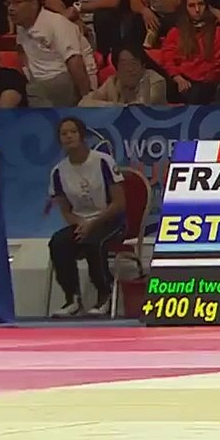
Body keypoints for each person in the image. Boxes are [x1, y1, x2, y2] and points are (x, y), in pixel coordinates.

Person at [48, 117, 126, 317]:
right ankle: (72, 299)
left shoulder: (103, 161)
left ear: (82, 135)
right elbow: (66, 211)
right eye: (64, 133)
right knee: (58, 243)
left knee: (94, 242)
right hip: (81, 222)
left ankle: (105, 294)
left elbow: (119, 203)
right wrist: (82, 223)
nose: (68, 136)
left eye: (73, 132)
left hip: (109, 220)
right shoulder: (58, 171)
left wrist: (93, 223)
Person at [8, 0, 98, 107]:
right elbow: (22, 55)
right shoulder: (21, 27)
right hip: (40, 83)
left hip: (68, 80)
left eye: (17, 2)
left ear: (34, 4)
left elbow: (75, 62)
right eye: (8, 4)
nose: (11, 8)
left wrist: (86, 101)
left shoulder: (57, 23)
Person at [162, 0, 220, 104]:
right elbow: (167, 58)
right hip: (181, 79)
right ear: (185, 8)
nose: (197, 9)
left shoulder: (219, 32)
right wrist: (177, 77)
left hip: (207, 84)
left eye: (201, 4)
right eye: (191, 6)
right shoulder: (175, 32)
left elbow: (216, 65)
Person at [80, 45, 168, 107]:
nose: (130, 69)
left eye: (134, 63)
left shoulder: (156, 82)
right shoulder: (112, 82)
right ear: (117, 70)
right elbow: (84, 103)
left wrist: (113, 107)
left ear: (143, 66)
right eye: (124, 64)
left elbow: (141, 109)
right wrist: (114, 106)